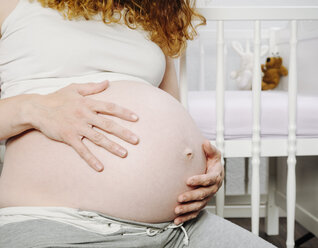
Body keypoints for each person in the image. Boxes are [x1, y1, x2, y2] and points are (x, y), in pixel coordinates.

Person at [0, 0, 275, 247]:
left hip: (181, 228)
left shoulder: (153, 15)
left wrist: (205, 165)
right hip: (59, 224)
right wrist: (31, 108)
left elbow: (171, 110)